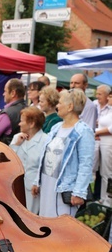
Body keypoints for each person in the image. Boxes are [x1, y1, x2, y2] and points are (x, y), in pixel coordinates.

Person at [32, 89, 95, 218]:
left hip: (64, 189)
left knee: (60, 225)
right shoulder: (56, 127)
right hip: (47, 184)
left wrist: (78, 192)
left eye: (60, 103)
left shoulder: (84, 131)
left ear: (70, 107)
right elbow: (44, 156)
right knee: (45, 221)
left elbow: (86, 164)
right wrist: (37, 181)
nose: (57, 106)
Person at [10, 107, 47, 215]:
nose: (19, 124)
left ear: (31, 124)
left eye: (22, 121)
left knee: (30, 217)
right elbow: (9, 160)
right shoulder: (17, 137)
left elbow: (45, 167)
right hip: (16, 186)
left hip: (33, 189)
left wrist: (37, 183)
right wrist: (16, 145)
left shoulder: (45, 140)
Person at [94, 84, 112, 205]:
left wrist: (96, 132)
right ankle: (101, 198)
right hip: (97, 143)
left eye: (100, 94)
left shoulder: (110, 109)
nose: (97, 96)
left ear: (108, 96)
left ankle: (108, 200)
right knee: (98, 171)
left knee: (107, 172)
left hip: (108, 144)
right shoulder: (95, 105)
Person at [0, 78, 27, 145]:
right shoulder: (29, 109)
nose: (3, 94)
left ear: (13, 93)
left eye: (5, 91)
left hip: (7, 152)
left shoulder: (7, 114)